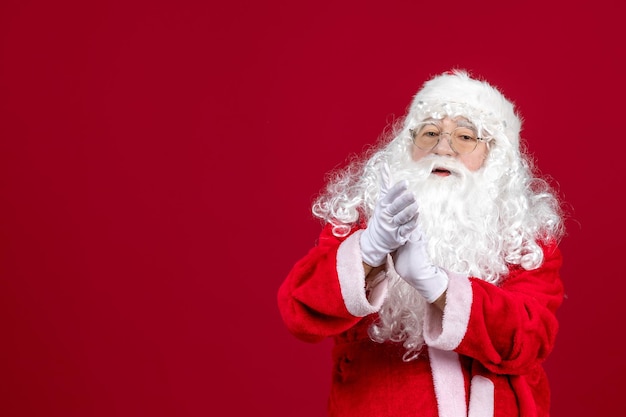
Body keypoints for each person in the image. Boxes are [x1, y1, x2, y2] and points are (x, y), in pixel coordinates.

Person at [277, 69, 565, 417]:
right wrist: (369, 251)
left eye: (465, 136)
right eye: (429, 133)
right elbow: (299, 312)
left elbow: (530, 339)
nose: (443, 147)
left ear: (496, 158)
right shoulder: (364, 221)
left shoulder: (524, 240)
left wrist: (438, 285)